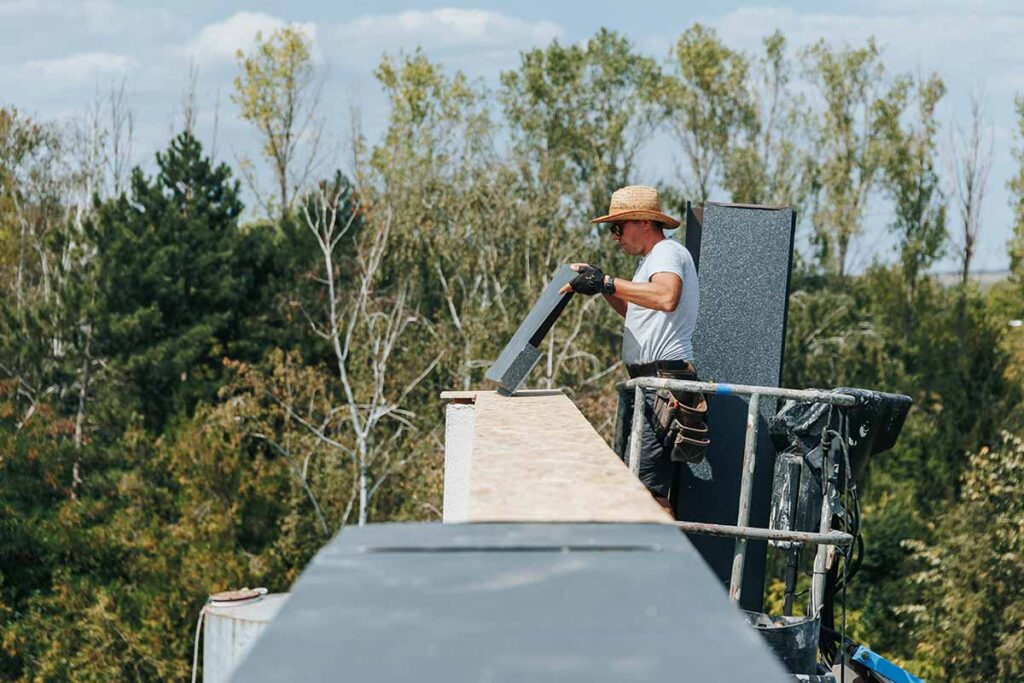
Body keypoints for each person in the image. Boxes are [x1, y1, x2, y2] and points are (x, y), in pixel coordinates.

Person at [558, 185, 707, 512]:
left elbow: (667, 297)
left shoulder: (667, 253)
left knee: (648, 493)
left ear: (643, 222)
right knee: (636, 487)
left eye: (618, 227)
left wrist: (607, 282)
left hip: (662, 382)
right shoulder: (652, 261)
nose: (615, 236)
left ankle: (668, 562)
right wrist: (602, 288)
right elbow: (634, 312)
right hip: (649, 384)